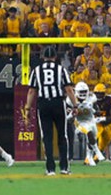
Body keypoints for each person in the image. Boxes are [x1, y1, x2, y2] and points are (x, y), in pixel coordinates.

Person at [26, 46, 77, 175]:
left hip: (43, 103)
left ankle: (50, 169)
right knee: (62, 136)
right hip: (58, 103)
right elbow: (69, 89)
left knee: (47, 137)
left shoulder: (37, 70)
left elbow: (32, 90)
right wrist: (75, 105)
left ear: (43, 57)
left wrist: (27, 107)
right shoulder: (61, 70)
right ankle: (64, 167)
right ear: (55, 57)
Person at [71, 82, 103, 166]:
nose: (83, 94)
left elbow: (98, 112)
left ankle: (89, 157)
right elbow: (68, 118)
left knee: (93, 138)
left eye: (84, 91)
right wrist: (72, 113)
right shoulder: (70, 99)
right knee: (88, 132)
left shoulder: (92, 97)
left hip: (90, 119)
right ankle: (97, 152)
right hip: (79, 121)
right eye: (81, 92)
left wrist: (91, 109)